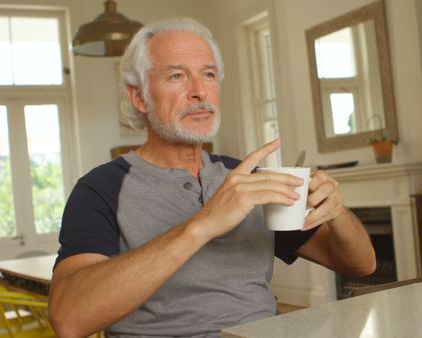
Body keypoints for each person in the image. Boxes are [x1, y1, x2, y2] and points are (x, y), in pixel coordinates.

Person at [48, 17, 376, 338]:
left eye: (208, 74)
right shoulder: (101, 189)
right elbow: (70, 320)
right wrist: (203, 224)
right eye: (176, 76)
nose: (199, 91)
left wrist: (337, 213)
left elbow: (361, 266)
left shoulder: (247, 178)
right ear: (139, 97)